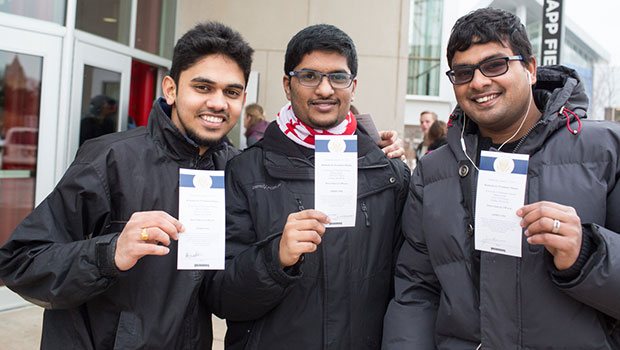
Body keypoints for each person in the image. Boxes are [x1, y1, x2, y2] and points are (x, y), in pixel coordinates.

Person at [0, 22, 253, 349]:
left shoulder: (234, 170)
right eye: (203, 87)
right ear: (171, 89)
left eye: (231, 92)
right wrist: (109, 253)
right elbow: (21, 262)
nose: (219, 103)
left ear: (243, 98)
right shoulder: (108, 159)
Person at [383, 7, 620, 349]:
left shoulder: (606, 151)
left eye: (495, 65)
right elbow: (416, 290)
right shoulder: (433, 172)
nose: (479, 82)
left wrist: (587, 255)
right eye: (463, 73)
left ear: (531, 69)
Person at [213, 24, 410, 349]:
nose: (324, 89)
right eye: (309, 76)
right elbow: (221, 297)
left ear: (353, 86)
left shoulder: (390, 174)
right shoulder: (244, 172)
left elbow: (409, 288)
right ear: (288, 85)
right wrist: (275, 258)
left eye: (338, 77)